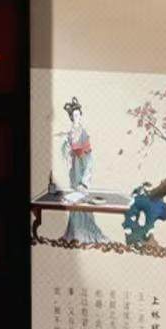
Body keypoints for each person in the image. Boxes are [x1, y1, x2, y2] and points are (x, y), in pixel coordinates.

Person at [60, 97, 106, 243]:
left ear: (81, 116)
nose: (76, 118)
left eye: (78, 115)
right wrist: (66, 147)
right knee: (74, 200)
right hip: (74, 169)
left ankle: (86, 233)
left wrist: (85, 180)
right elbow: (66, 151)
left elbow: (89, 156)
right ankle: (74, 232)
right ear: (71, 117)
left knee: (82, 199)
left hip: (83, 164)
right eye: (74, 116)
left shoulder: (83, 133)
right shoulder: (70, 133)